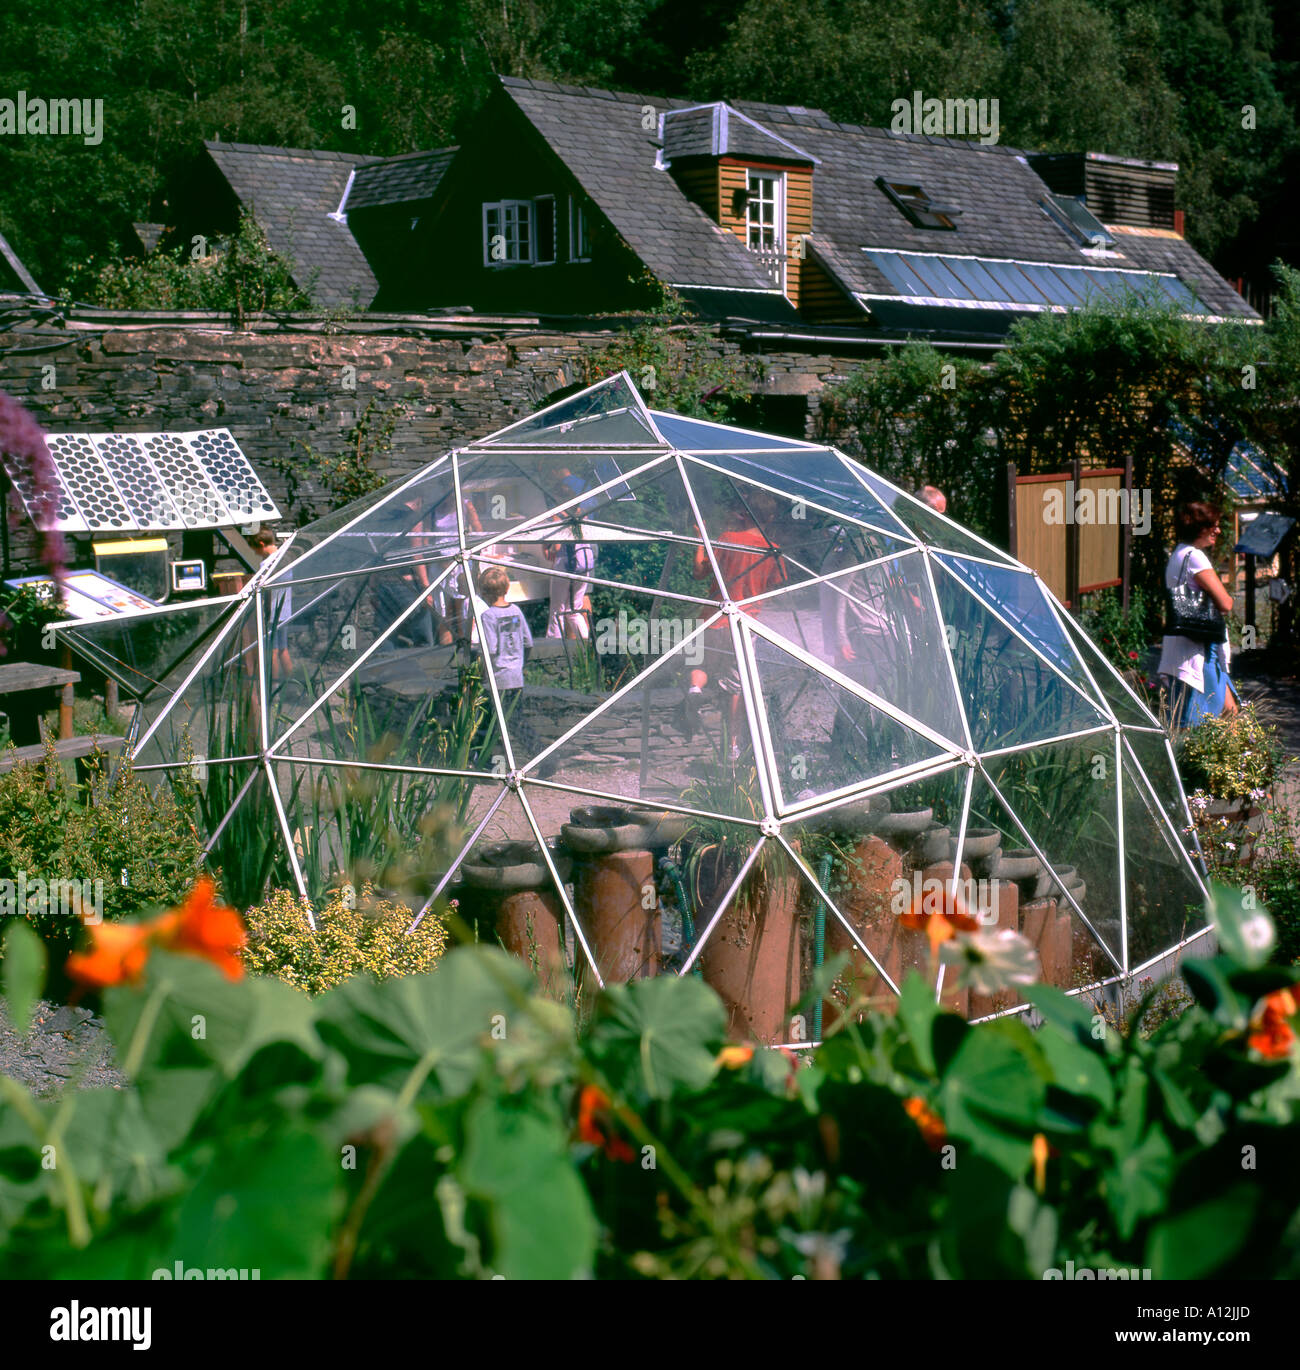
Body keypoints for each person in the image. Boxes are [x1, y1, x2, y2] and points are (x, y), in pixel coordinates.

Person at [679, 493, 787, 760]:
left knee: (701, 663)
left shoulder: (728, 539)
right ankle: (733, 744)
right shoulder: (772, 550)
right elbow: (778, 584)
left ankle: (695, 691)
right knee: (735, 685)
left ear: (744, 514)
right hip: (745, 624)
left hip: (714, 617)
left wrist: (700, 541)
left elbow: (698, 572)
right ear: (770, 518)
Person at [1158, 501, 1239, 726]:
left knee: (1229, 714)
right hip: (1199, 649)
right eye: (1213, 525)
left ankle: (1240, 758)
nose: (1218, 530)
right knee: (1198, 721)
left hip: (1184, 645)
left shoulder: (1178, 555)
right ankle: (1190, 761)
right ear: (1199, 528)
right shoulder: (1195, 557)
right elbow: (1226, 603)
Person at [477, 564, 555, 776]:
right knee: (512, 722)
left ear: (483, 592)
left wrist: (482, 673)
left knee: (494, 724)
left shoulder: (488, 616)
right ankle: (497, 765)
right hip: (515, 677)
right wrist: (519, 664)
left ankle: (541, 758)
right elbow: (528, 643)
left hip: (497, 678)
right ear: (506, 588)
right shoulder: (516, 611)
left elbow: (490, 649)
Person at [543, 464, 597, 640]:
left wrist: (547, 547)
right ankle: (588, 646)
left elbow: (556, 546)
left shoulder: (560, 516)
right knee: (574, 609)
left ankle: (554, 648)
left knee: (557, 611)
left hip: (566, 564)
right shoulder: (582, 514)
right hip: (584, 565)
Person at [248, 525, 292, 678]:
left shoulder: (266, 565)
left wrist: (265, 615)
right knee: (283, 649)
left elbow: (267, 592)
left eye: (255, 550)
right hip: (286, 611)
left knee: (272, 651)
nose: (256, 554)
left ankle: (274, 689)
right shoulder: (286, 558)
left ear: (261, 545)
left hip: (273, 612)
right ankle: (292, 684)